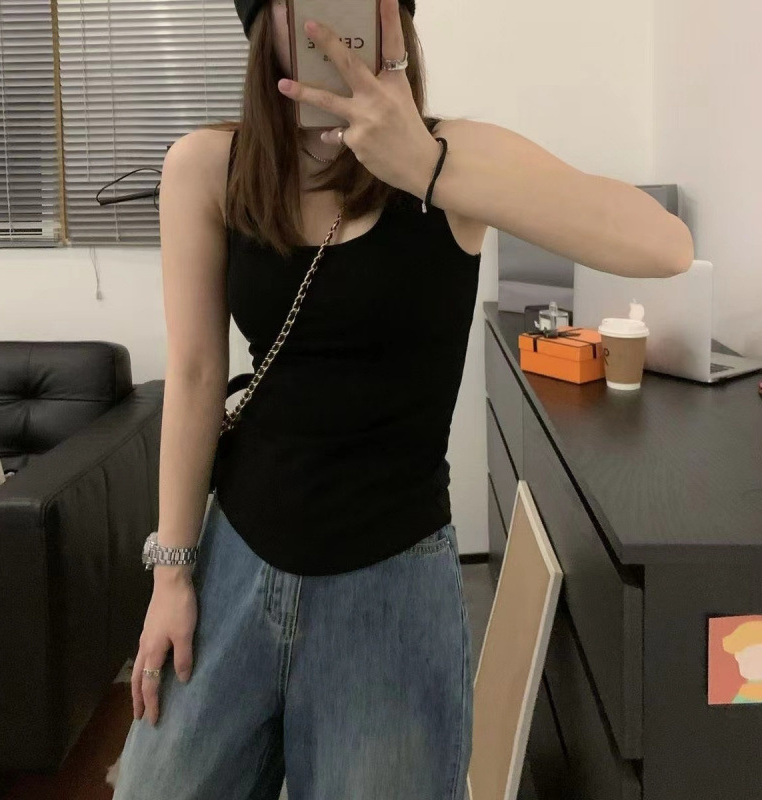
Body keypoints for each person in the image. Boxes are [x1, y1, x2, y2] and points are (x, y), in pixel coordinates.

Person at [112, 0, 694, 798]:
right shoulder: (208, 166)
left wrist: (426, 165)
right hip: (235, 557)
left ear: (400, 21)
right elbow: (193, 374)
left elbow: (665, 245)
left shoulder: (455, 156)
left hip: (393, 583)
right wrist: (171, 577)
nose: (334, 18)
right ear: (263, 22)